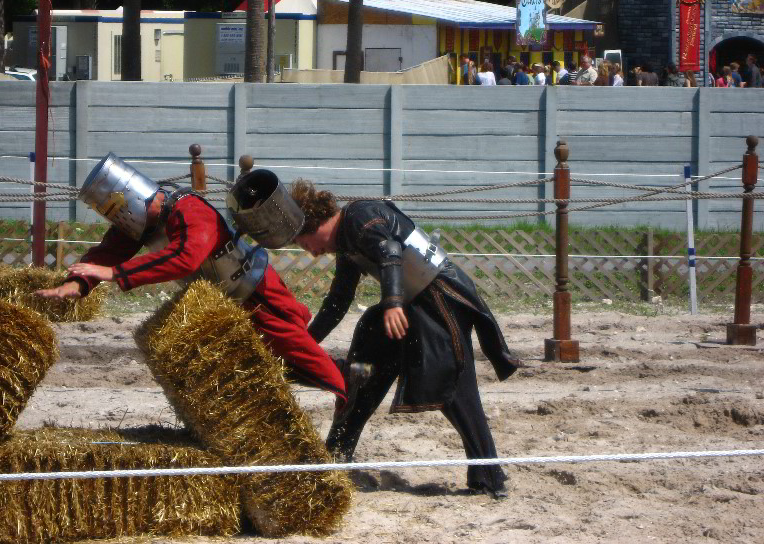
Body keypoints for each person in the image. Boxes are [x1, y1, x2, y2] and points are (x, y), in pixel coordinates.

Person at [36, 154, 348, 404]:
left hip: (256, 293)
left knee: (300, 354)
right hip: (227, 302)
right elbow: (106, 253)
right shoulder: (142, 222)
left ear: (134, 196)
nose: (120, 218)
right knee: (260, 365)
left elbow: (185, 257)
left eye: (120, 209)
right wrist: (76, 283)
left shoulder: (190, 209)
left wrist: (116, 274)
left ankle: (348, 390)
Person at [288, 180, 520, 499]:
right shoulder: (346, 241)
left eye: (304, 244)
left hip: (441, 299)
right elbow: (337, 301)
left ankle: (488, 475)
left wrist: (393, 302)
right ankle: (337, 456)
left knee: (454, 386)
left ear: (313, 225)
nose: (311, 252)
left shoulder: (358, 217)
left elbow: (390, 250)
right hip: (410, 303)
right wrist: (302, 344)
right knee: (364, 368)